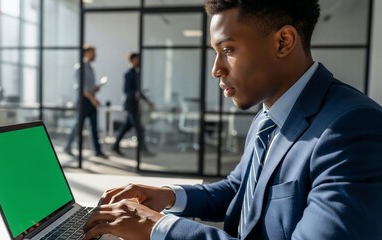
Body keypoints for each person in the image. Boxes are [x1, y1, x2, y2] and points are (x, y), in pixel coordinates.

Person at [83, 0, 382, 239]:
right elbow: (238, 189)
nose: (216, 69)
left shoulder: (353, 127)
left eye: (228, 50)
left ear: (283, 42)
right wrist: (168, 196)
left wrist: (161, 228)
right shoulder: (268, 116)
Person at [64, 45, 108, 159]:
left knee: (94, 127)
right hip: (84, 101)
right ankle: (68, 146)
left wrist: (97, 87)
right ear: (87, 53)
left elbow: (90, 88)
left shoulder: (91, 68)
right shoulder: (79, 68)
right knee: (78, 125)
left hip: (91, 101)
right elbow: (83, 89)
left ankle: (98, 151)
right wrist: (93, 99)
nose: (95, 55)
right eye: (93, 52)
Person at [111, 53, 155, 156]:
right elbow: (126, 90)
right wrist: (135, 94)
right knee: (140, 129)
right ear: (131, 60)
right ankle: (144, 150)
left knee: (126, 127)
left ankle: (115, 146)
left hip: (135, 105)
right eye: (137, 59)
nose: (138, 61)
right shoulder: (128, 74)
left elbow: (138, 91)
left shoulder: (136, 73)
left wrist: (147, 101)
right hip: (131, 105)